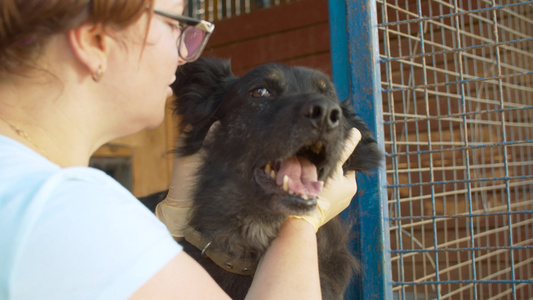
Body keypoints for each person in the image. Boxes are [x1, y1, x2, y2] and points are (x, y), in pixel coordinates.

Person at [0, 0, 362, 299]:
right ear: (96, 41)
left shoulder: (23, 183)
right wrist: (303, 220)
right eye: (178, 26)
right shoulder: (66, 213)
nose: (185, 56)